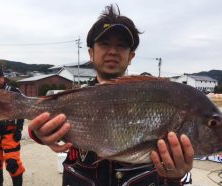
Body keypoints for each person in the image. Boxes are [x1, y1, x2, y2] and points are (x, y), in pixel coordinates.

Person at [28, 4, 193, 186]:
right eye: (105, 44)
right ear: (91, 53)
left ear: (131, 56)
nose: (113, 51)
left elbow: (180, 174)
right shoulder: (75, 98)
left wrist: (175, 178)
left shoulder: (155, 97)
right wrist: (38, 132)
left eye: (121, 46)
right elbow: (47, 118)